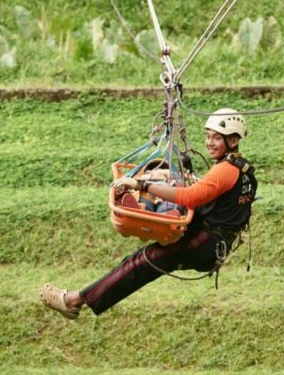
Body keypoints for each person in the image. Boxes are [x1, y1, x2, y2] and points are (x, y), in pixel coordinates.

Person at [39, 108, 257, 318]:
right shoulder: (242, 169)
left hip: (203, 244)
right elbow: (212, 193)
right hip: (210, 243)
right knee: (139, 260)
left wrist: (141, 184)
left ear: (234, 141)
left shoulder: (225, 170)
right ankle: (77, 299)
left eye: (217, 138)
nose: (209, 142)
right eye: (208, 136)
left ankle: (73, 301)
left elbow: (191, 197)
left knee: (141, 263)